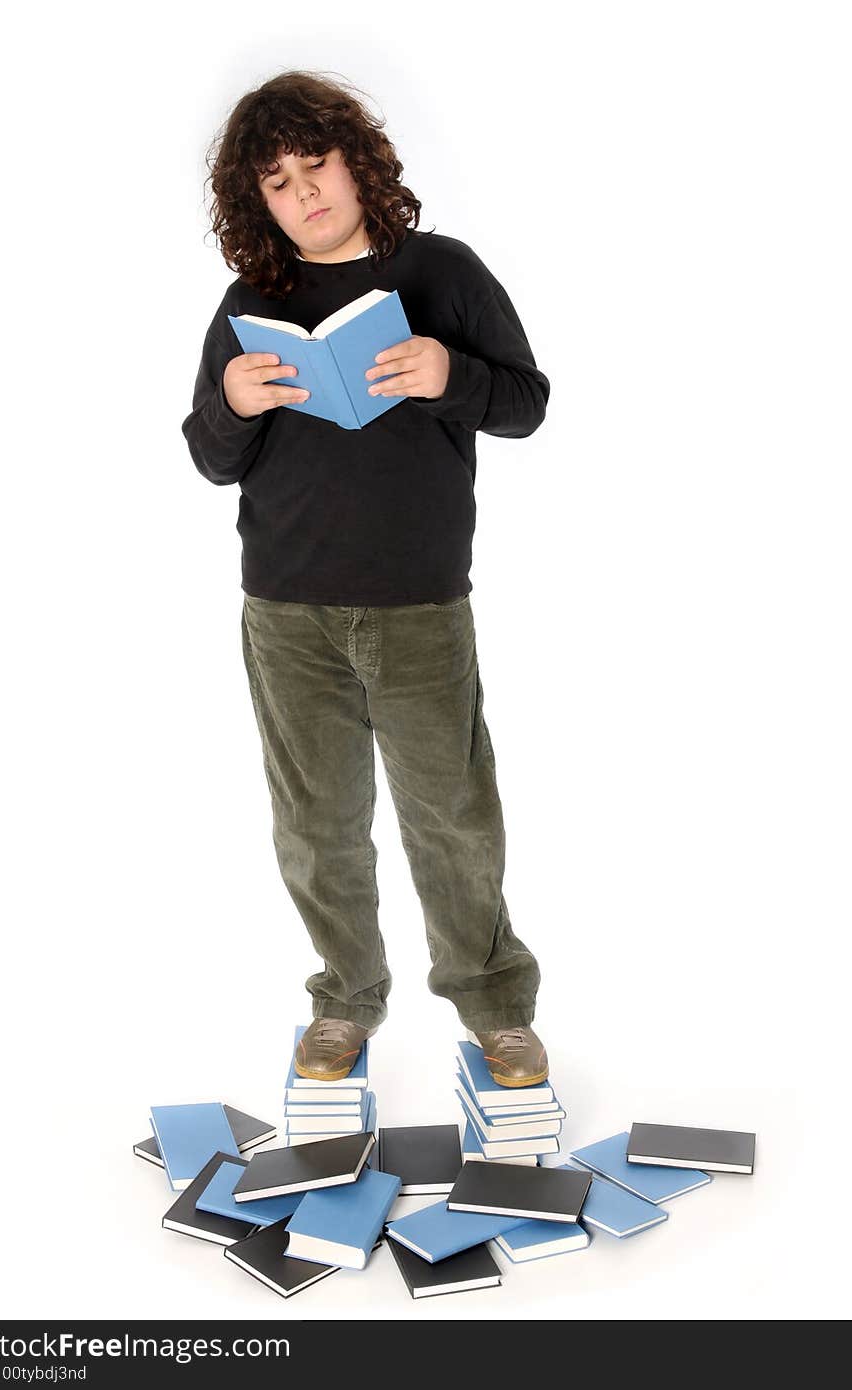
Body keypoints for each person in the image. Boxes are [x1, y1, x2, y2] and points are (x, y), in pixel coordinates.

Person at [182, 70, 551, 1089]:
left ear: (355, 159)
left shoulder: (440, 273)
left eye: (316, 165)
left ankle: (493, 1005)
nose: (305, 193)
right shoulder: (250, 304)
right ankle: (344, 997)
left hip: (419, 604)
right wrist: (232, 396)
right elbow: (212, 457)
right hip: (285, 610)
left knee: (454, 816)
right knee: (315, 826)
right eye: (278, 182)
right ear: (257, 202)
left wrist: (448, 374)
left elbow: (524, 403)